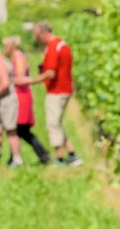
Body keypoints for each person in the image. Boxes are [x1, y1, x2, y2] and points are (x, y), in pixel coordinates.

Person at [27, 21, 83, 166]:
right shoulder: (61, 45)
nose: (37, 40)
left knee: (53, 124)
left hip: (57, 90)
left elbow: (50, 73)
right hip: (64, 88)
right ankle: (72, 154)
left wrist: (32, 80)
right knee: (57, 122)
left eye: (37, 36)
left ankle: (60, 158)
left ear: (43, 33)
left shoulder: (53, 48)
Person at [4, 35, 51, 164]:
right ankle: (15, 157)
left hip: (21, 96)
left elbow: (20, 79)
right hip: (19, 95)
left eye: (6, 46)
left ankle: (41, 154)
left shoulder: (18, 58)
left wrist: (6, 80)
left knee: (21, 129)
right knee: (19, 130)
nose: (5, 49)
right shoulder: (16, 57)